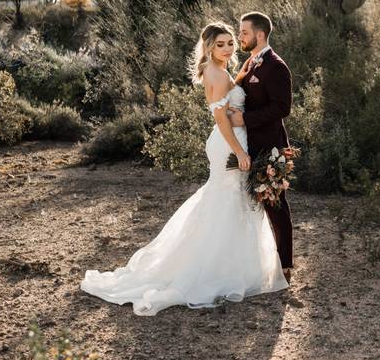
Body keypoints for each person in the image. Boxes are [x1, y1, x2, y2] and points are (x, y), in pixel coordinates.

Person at [80, 22, 288, 316]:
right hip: (229, 145)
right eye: (221, 44)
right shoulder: (214, 73)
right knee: (225, 201)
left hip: (235, 141)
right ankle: (211, 270)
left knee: (233, 201)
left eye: (231, 42)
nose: (228, 48)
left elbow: (232, 105)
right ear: (208, 47)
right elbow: (220, 120)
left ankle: (235, 266)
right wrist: (240, 151)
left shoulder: (224, 70)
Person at [230, 11, 294, 284]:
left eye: (244, 32)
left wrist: (246, 119)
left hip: (270, 147)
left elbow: (283, 108)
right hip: (248, 146)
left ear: (259, 34)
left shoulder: (276, 66)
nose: (240, 36)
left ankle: (285, 264)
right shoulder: (251, 63)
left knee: (275, 204)